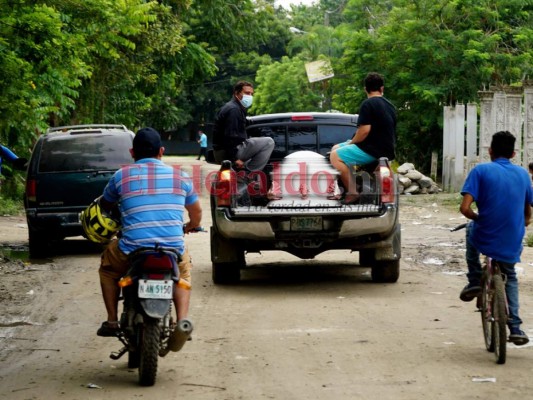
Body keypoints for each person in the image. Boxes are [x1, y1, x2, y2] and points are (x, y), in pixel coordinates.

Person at [96, 127, 202, 337]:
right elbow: (196, 212)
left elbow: (105, 205)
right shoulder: (180, 176)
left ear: (132, 153)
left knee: (108, 270)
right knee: (184, 273)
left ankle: (111, 321)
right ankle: (182, 324)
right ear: (161, 151)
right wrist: (190, 226)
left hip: (132, 249)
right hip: (172, 248)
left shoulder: (121, 176)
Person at [459, 130, 532, 346]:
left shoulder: (481, 171)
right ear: (513, 153)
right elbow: (528, 211)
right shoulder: (522, 175)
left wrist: (477, 217)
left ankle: (473, 279)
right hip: (512, 235)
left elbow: (465, 208)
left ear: (490, 151)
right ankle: (516, 326)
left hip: (485, 231)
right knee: (510, 275)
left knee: (470, 230)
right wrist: (524, 222)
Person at [329, 72, 397, 204]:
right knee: (336, 147)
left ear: (365, 89)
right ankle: (347, 183)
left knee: (335, 156)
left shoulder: (368, 104)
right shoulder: (390, 106)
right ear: (382, 88)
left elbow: (364, 131)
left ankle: (353, 191)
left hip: (372, 149)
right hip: (386, 149)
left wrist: (352, 142)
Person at [212, 80, 274, 173]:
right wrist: (234, 159)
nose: (250, 96)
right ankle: (249, 174)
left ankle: (241, 174)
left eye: (251, 94)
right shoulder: (234, 110)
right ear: (237, 93)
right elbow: (229, 137)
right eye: (247, 93)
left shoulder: (233, 107)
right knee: (269, 142)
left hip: (223, 151)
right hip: (228, 152)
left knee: (251, 157)